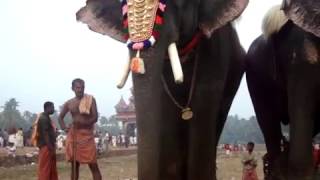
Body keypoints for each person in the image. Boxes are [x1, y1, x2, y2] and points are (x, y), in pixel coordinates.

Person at [59, 78, 102, 180]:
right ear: (72, 88)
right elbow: (60, 117)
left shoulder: (90, 99)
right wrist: (64, 128)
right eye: (78, 87)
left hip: (87, 135)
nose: (80, 90)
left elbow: (95, 117)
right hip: (74, 135)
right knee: (74, 166)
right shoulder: (69, 103)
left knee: (93, 164)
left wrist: (83, 123)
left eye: (82, 87)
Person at [37, 101, 58, 180]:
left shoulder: (47, 117)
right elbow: (45, 134)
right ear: (47, 108)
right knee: (45, 169)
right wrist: (51, 149)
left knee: (51, 169)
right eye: (52, 107)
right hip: (46, 147)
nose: (53, 109)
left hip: (49, 146)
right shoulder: (43, 118)